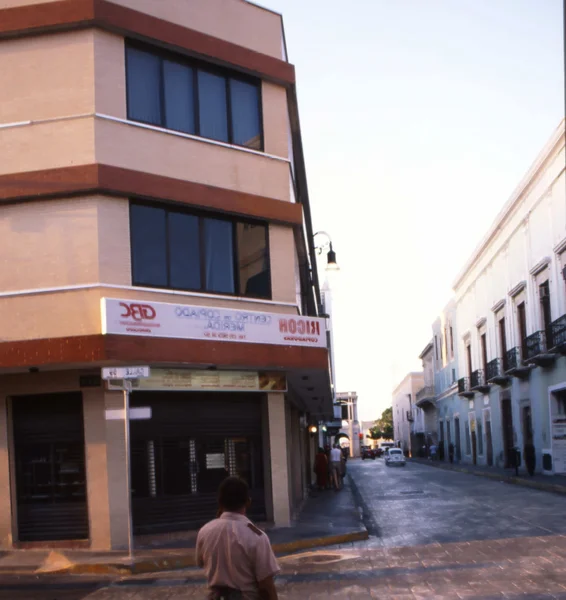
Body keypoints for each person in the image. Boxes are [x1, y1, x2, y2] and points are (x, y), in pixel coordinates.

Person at [196, 477, 280, 600]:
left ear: (219, 502)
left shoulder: (205, 531)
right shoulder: (257, 537)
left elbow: (200, 563)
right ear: (248, 502)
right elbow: (266, 585)